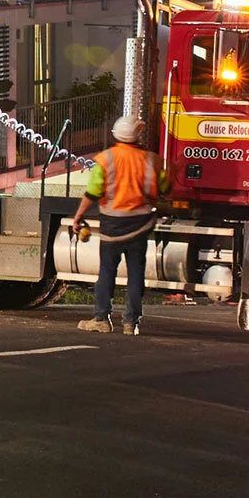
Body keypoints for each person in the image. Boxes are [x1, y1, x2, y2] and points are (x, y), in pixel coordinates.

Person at [73, 114, 169, 336]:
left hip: (112, 226)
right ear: (138, 135)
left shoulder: (107, 159)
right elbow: (165, 187)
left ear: (116, 134)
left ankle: (101, 318)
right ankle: (131, 323)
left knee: (107, 271)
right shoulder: (152, 160)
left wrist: (79, 216)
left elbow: (93, 192)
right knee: (136, 274)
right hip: (140, 225)